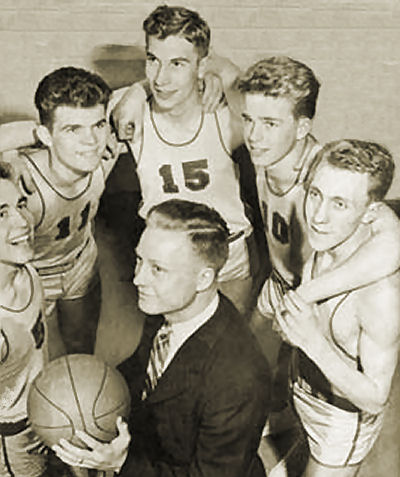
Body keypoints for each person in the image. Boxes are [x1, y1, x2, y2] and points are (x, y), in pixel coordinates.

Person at [52, 199, 271, 477]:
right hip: (162, 456)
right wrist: (85, 401)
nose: (137, 278)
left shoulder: (239, 377)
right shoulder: (169, 305)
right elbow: (143, 370)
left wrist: (121, 464)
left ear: (204, 278)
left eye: (158, 269)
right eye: (140, 260)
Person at [235, 57, 400, 414]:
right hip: (280, 283)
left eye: (269, 123)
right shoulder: (266, 154)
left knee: (318, 389)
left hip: (316, 299)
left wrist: (306, 295)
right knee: (246, 358)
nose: (253, 135)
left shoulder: (322, 171)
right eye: (248, 119)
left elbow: (392, 241)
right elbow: (215, 68)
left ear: (301, 127)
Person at [275, 139, 400, 477]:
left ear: (370, 213)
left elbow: (376, 399)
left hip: (341, 421)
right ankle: (306, 450)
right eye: (316, 194)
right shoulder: (332, 237)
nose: (318, 216)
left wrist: (312, 340)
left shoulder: (380, 296)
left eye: (339, 204)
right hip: (304, 392)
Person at [111, 5, 255, 314]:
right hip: (166, 264)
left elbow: (247, 86)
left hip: (227, 257)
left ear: (202, 66)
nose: (161, 78)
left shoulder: (227, 118)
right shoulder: (131, 112)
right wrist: (138, 91)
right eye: (153, 61)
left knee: (232, 344)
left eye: (177, 63)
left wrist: (214, 70)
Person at [10, 66, 120, 359]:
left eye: (97, 125)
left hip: (79, 261)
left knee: (81, 352)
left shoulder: (104, 155)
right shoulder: (21, 187)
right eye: (73, 129)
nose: (91, 141)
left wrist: (135, 94)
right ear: (45, 136)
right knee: (24, 363)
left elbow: (163, 89)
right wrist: (23, 137)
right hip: (32, 274)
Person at [0, 161, 48, 477]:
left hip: (41, 411)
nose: (22, 222)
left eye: (19, 205)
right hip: (13, 435)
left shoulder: (27, 267)